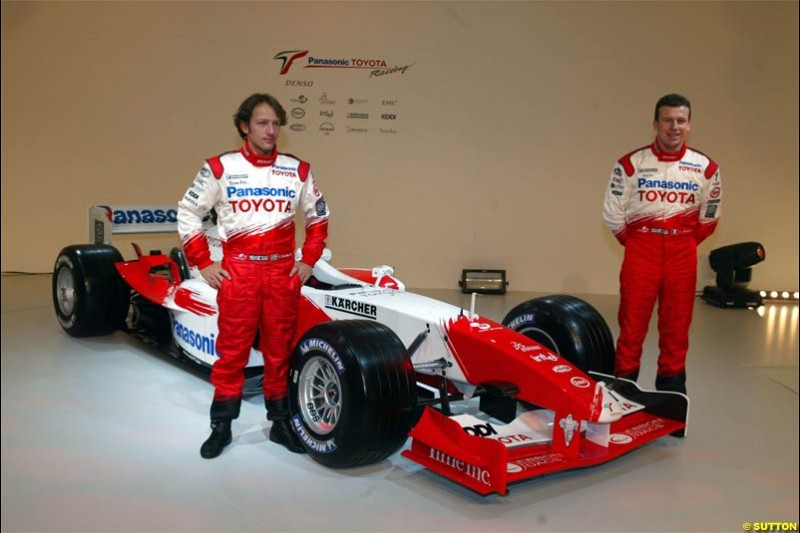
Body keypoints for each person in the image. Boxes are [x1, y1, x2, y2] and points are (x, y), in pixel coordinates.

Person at [177, 93, 330, 458]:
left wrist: (308, 260)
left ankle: (280, 424)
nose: (271, 130)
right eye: (262, 123)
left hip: (281, 271)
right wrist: (203, 261)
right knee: (232, 353)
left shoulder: (298, 169)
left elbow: (319, 217)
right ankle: (222, 426)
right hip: (239, 272)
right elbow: (187, 211)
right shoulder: (220, 166)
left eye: (276, 124)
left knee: (280, 352)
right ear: (244, 126)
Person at [603, 93, 722, 395]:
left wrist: (681, 241)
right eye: (668, 120)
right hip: (641, 250)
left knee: (676, 330)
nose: (674, 127)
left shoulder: (706, 167)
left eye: (680, 120)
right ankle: (623, 397)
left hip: (682, 253)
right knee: (631, 328)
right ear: (655, 124)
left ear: (689, 125)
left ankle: (670, 398)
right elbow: (613, 212)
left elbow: (710, 216)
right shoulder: (630, 163)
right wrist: (639, 243)